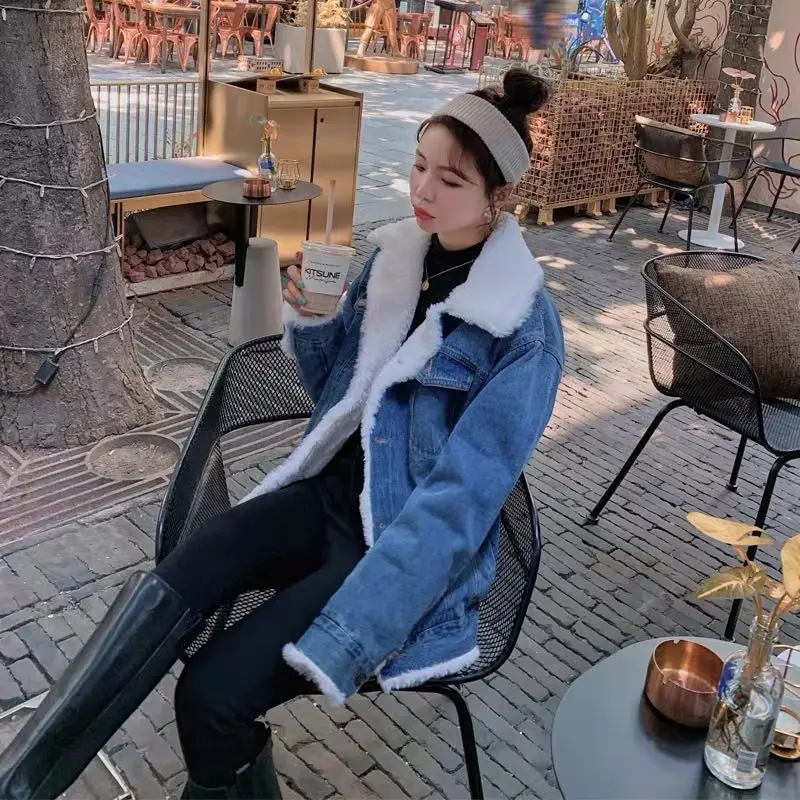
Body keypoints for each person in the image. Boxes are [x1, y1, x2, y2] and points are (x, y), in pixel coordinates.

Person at [0, 67, 564, 800]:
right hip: (328, 496)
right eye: (420, 164)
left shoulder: (519, 326)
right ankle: (21, 781)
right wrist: (318, 320)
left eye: (450, 180)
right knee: (171, 585)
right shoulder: (397, 258)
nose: (423, 190)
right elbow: (335, 398)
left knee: (211, 698)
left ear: (500, 195)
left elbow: (462, 500)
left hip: (395, 545)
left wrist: (361, 624)